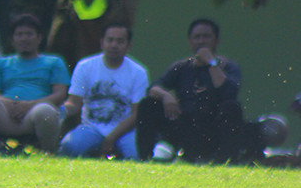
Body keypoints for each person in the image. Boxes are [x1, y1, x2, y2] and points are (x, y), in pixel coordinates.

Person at [136, 18, 261, 163]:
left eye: (206, 37)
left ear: (216, 41)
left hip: (215, 128)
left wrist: (211, 63)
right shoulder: (181, 67)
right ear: (190, 41)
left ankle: (226, 162)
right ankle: (145, 159)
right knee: (148, 104)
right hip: (186, 126)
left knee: (232, 108)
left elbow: (230, 93)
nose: (201, 41)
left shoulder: (228, 66)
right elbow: (154, 87)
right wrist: (166, 96)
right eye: (197, 37)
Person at [0, 13, 69, 154]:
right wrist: (11, 104)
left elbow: (60, 94)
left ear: (39, 38)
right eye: (19, 34)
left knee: (45, 110)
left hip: (35, 115)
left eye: (29, 34)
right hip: (6, 115)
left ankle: (49, 154)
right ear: (12, 40)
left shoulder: (54, 62)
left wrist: (28, 106)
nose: (24, 38)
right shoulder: (1, 63)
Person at [57, 23, 148, 160]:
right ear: (102, 43)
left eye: (120, 41)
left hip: (125, 131)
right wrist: (58, 112)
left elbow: (137, 114)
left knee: (136, 155)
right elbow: (74, 103)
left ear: (129, 46)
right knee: (69, 146)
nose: (113, 45)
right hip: (91, 128)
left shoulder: (139, 72)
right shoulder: (85, 66)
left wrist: (111, 138)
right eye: (110, 40)